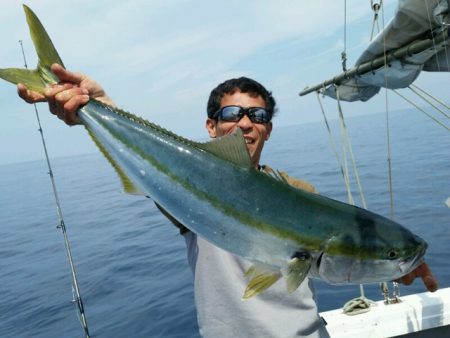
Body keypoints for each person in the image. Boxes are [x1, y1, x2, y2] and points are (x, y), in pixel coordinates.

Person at [18, 64, 439, 338]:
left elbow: (344, 250)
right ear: (211, 126)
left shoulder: (301, 193)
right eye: (231, 114)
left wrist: (396, 264)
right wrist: (98, 107)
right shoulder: (187, 186)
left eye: (257, 116)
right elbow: (157, 167)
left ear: (268, 130)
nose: (245, 123)